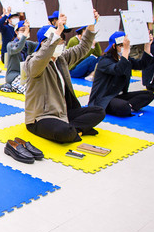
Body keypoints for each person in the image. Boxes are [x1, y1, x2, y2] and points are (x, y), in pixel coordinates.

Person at [24, 12, 106, 143]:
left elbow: (83, 48)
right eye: (58, 41)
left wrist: (91, 25)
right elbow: (42, 57)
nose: (61, 43)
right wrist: (57, 32)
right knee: (64, 132)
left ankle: (74, 130)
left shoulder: (61, 59)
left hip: (63, 112)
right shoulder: (33, 62)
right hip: (41, 117)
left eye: (62, 40)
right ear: (45, 43)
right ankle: (74, 130)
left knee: (99, 111)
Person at [89, 32, 154, 116]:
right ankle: (127, 107)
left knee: (149, 94)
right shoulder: (104, 61)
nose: (126, 48)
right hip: (104, 98)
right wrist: (126, 51)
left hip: (119, 95)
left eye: (127, 45)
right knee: (123, 107)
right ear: (114, 46)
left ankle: (128, 106)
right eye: (122, 45)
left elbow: (142, 64)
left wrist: (147, 46)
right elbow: (118, 69)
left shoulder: (126, 59)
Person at [2, 20, 37, 94]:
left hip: (26, 75)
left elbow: (41, 45)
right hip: (13, 75)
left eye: (26, 30)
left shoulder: (28, 44)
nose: (25, 32)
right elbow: (18, 48)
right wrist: (25, 34)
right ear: (16, 32)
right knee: (29, 91)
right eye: (22, 30)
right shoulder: (10, 45)